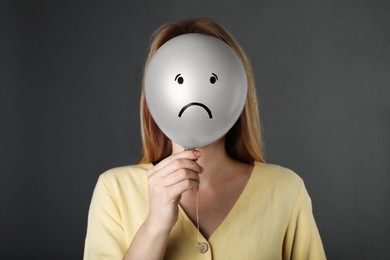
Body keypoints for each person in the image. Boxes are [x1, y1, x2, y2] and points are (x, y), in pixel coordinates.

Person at [83, 17, 326, 260]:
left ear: (237, 90)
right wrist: (156, 225)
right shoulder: (115, 189)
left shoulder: (285, 189)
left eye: (212, 79)